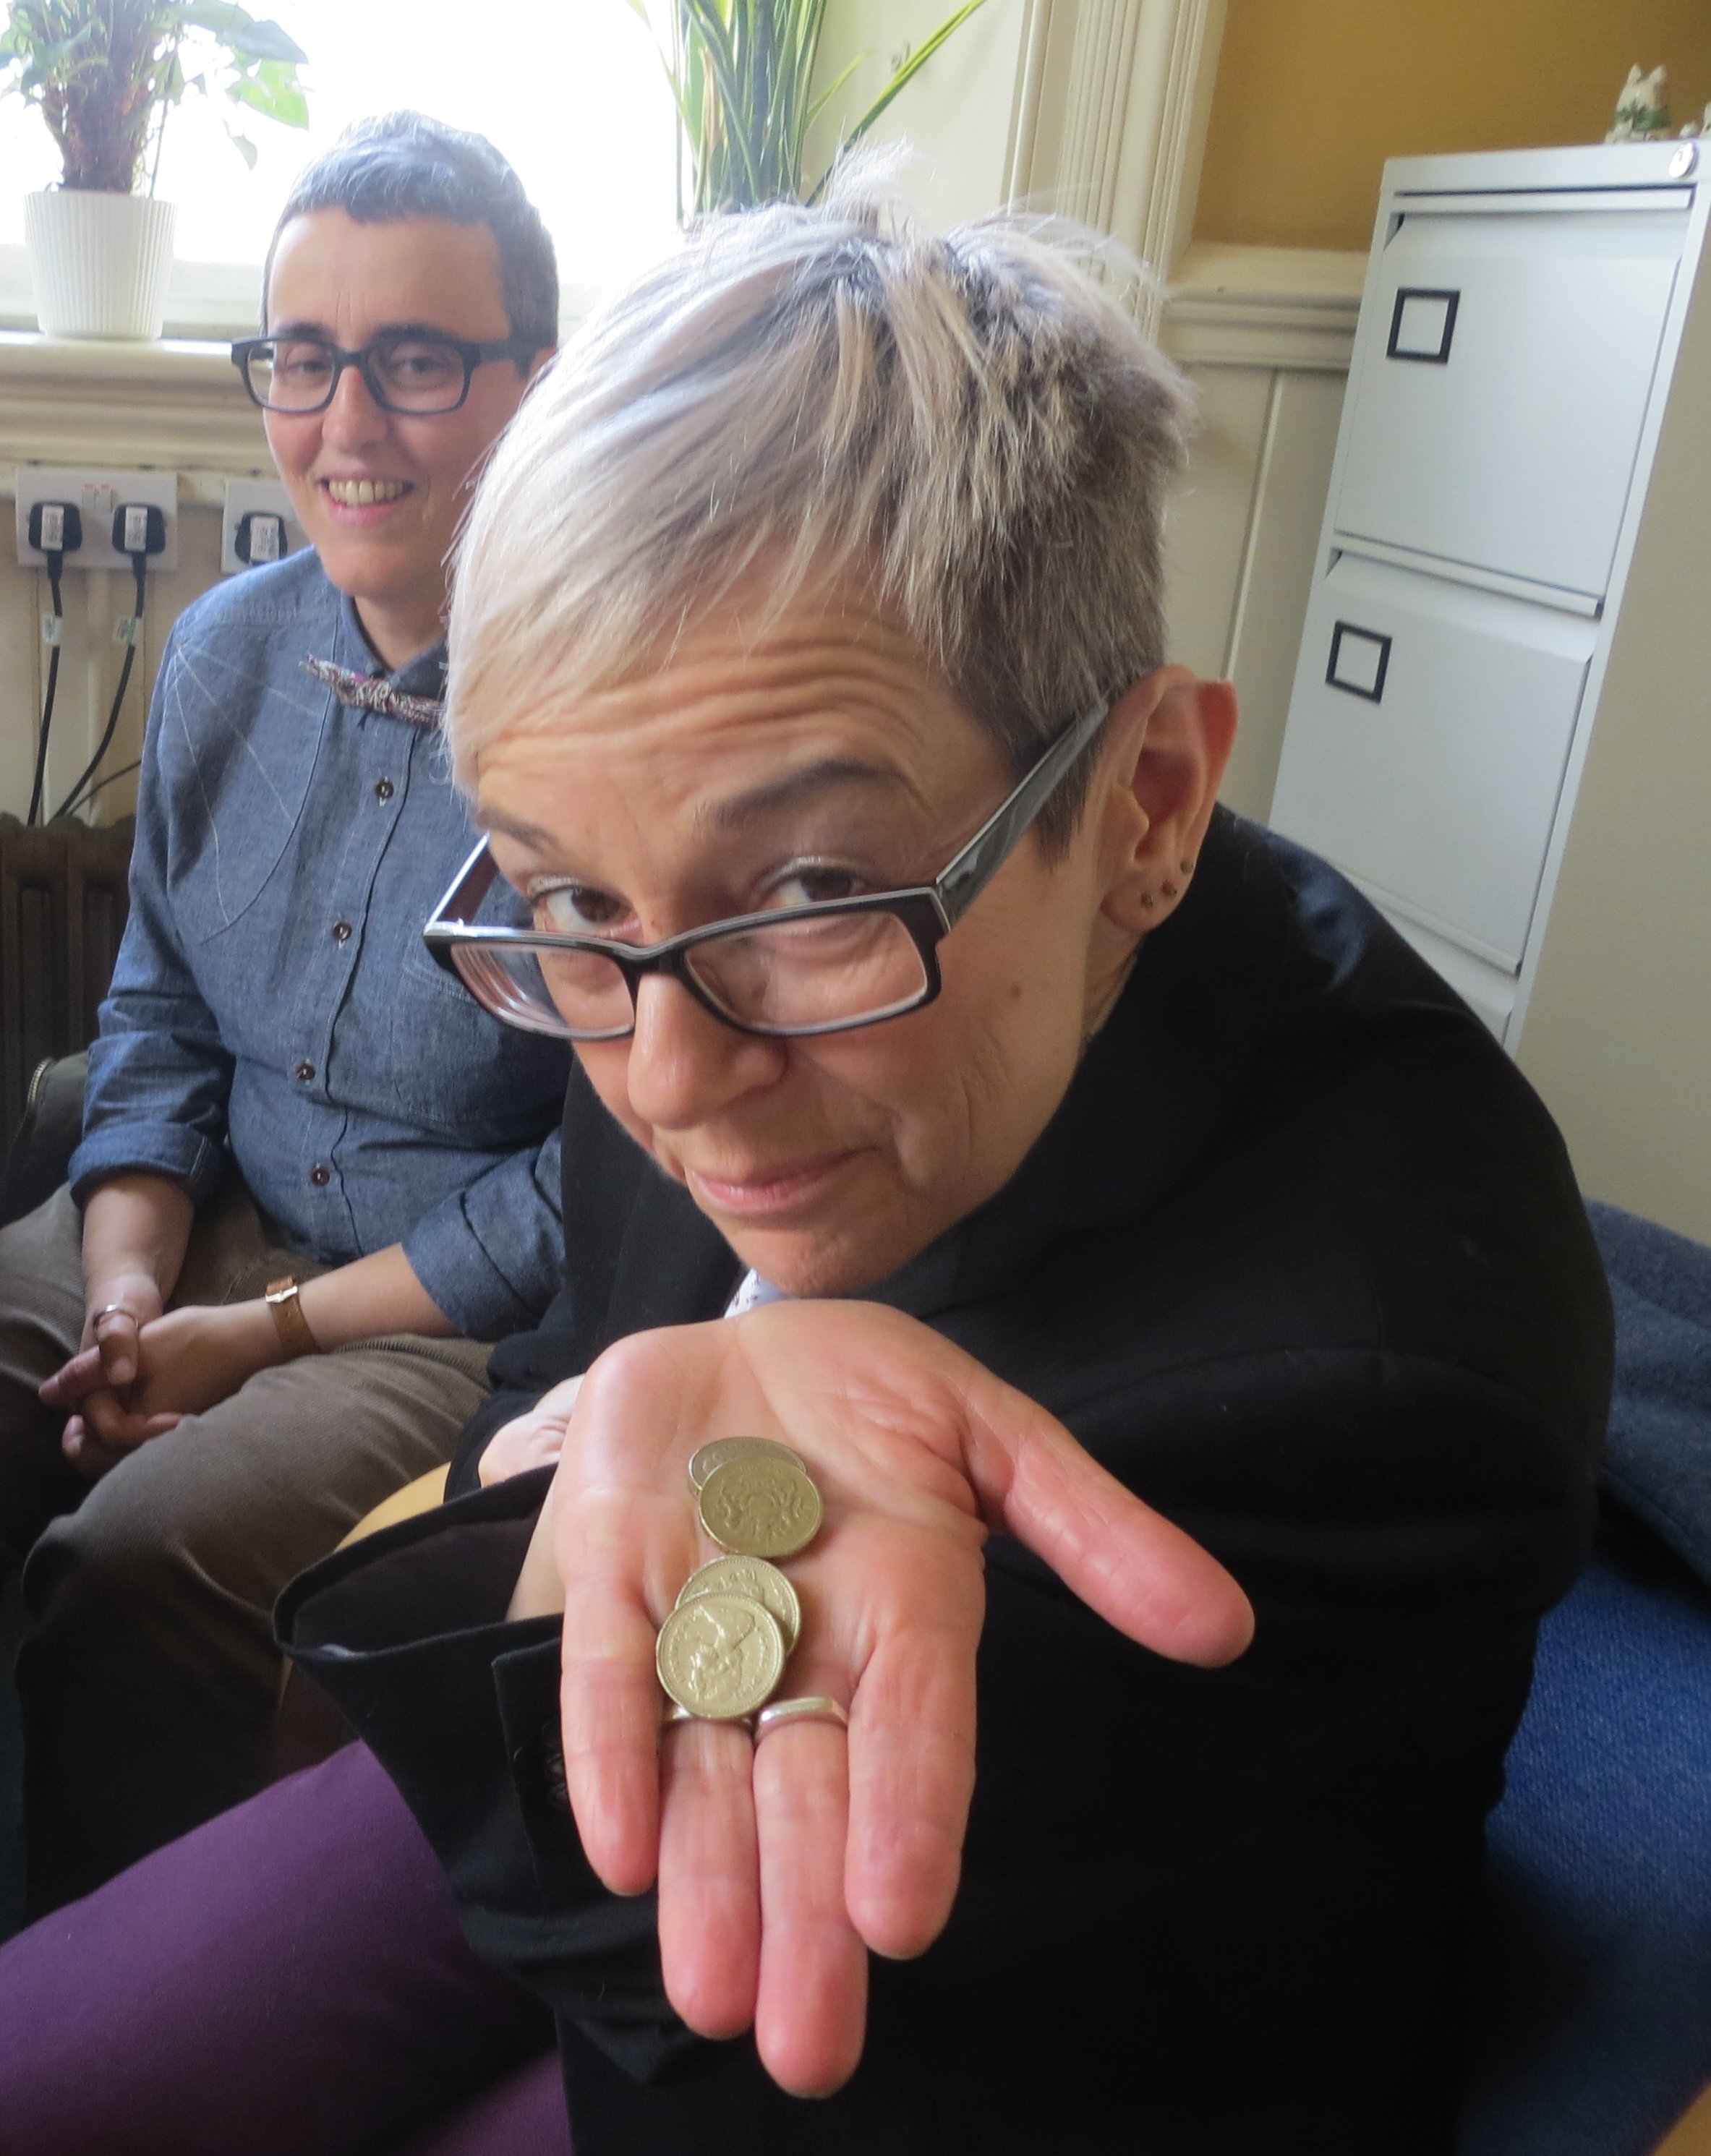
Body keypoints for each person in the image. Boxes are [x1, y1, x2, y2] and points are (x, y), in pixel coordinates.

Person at [0, 181, 1612, 2155]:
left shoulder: (1350, 1393)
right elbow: (560, 1384)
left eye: (815, 890)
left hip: (1001, 2008)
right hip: (602, 1741)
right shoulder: (667, 946)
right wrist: (536, 1464)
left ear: (1146, 806)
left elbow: (723, 2042)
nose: (673, 1084)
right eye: (567, 898)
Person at [0, 111, 571, 1913]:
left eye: (416, 361)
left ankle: (113, 1984)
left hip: (441, 1315)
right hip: (208, 1214)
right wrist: (125, 1286)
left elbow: (595, 1187)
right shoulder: (225, 651)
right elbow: (160, 1013)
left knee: (139, 1563)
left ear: (535, 384)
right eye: (305, 359)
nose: (345, 423)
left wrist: (259, 1337)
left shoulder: (612, 720)